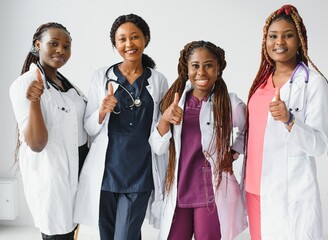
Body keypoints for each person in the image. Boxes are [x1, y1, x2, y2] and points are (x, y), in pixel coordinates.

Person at [73, 13, 168, 240]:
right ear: (114, 44)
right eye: (122, 39)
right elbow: (89, 128)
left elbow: (159, 130)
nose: (129, 44)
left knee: (125, 235)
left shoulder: (158, 80)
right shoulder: (101, 77)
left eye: (135, 37)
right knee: (108, 235)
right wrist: (102, 110)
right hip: (107, 170)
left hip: (140, 170)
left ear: (145, 39)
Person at [244, 4, 328, 240]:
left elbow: (320, 145)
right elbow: (255, 131)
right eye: (273, 36)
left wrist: (290, 120)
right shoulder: (261, 82)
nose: (279, 42)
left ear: (299, 40)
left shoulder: (312, 83)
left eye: (287, 35)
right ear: (266, 41)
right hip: (254, 188)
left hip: (289, 190)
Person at [149, 40, 248, 240]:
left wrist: (234, 152)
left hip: (210, 192)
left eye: (208, 65)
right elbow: (157, 147)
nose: (201, 72)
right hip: (178, 189)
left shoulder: (229, 103)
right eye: (195, 66)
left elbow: (249, 130)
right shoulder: (173, 101)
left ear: (218, 69)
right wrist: (165, 119)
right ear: (187, 69)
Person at [9, 22, 88, 240]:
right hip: (54, 177)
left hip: (77, 171)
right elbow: (36, 143)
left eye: (66, 46)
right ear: (37, 45)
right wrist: (34, 101)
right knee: (58, 233)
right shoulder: (24, 84)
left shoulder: (66, 84)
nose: (61, 51)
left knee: (71, 232)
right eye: (53, 44)